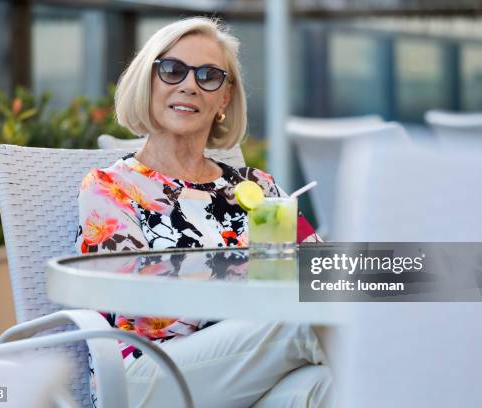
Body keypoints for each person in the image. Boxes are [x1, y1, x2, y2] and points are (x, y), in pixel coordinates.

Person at [75, 16, 331, 408]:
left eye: (209, 76)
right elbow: (146, 307)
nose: (190, 85)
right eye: (173, 70)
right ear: (149, 81)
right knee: (303, 315)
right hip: (146, 377)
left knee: (326, 384)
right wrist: (260, 276)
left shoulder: (258, 187)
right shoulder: (110, 188)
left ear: (224, 98)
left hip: (244, 372)